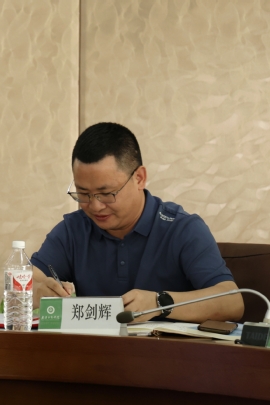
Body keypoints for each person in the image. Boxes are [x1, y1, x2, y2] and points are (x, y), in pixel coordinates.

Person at [31, 122, 243, 323]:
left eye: (107, 193)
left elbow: (232, 302)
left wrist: (160, 303)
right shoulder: (73, 230)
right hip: (95, 348)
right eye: (83, 193)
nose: (95, 206)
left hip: (165, 348)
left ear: (139, 178)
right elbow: (29, 279)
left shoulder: (182, 229)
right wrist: (37, 291)